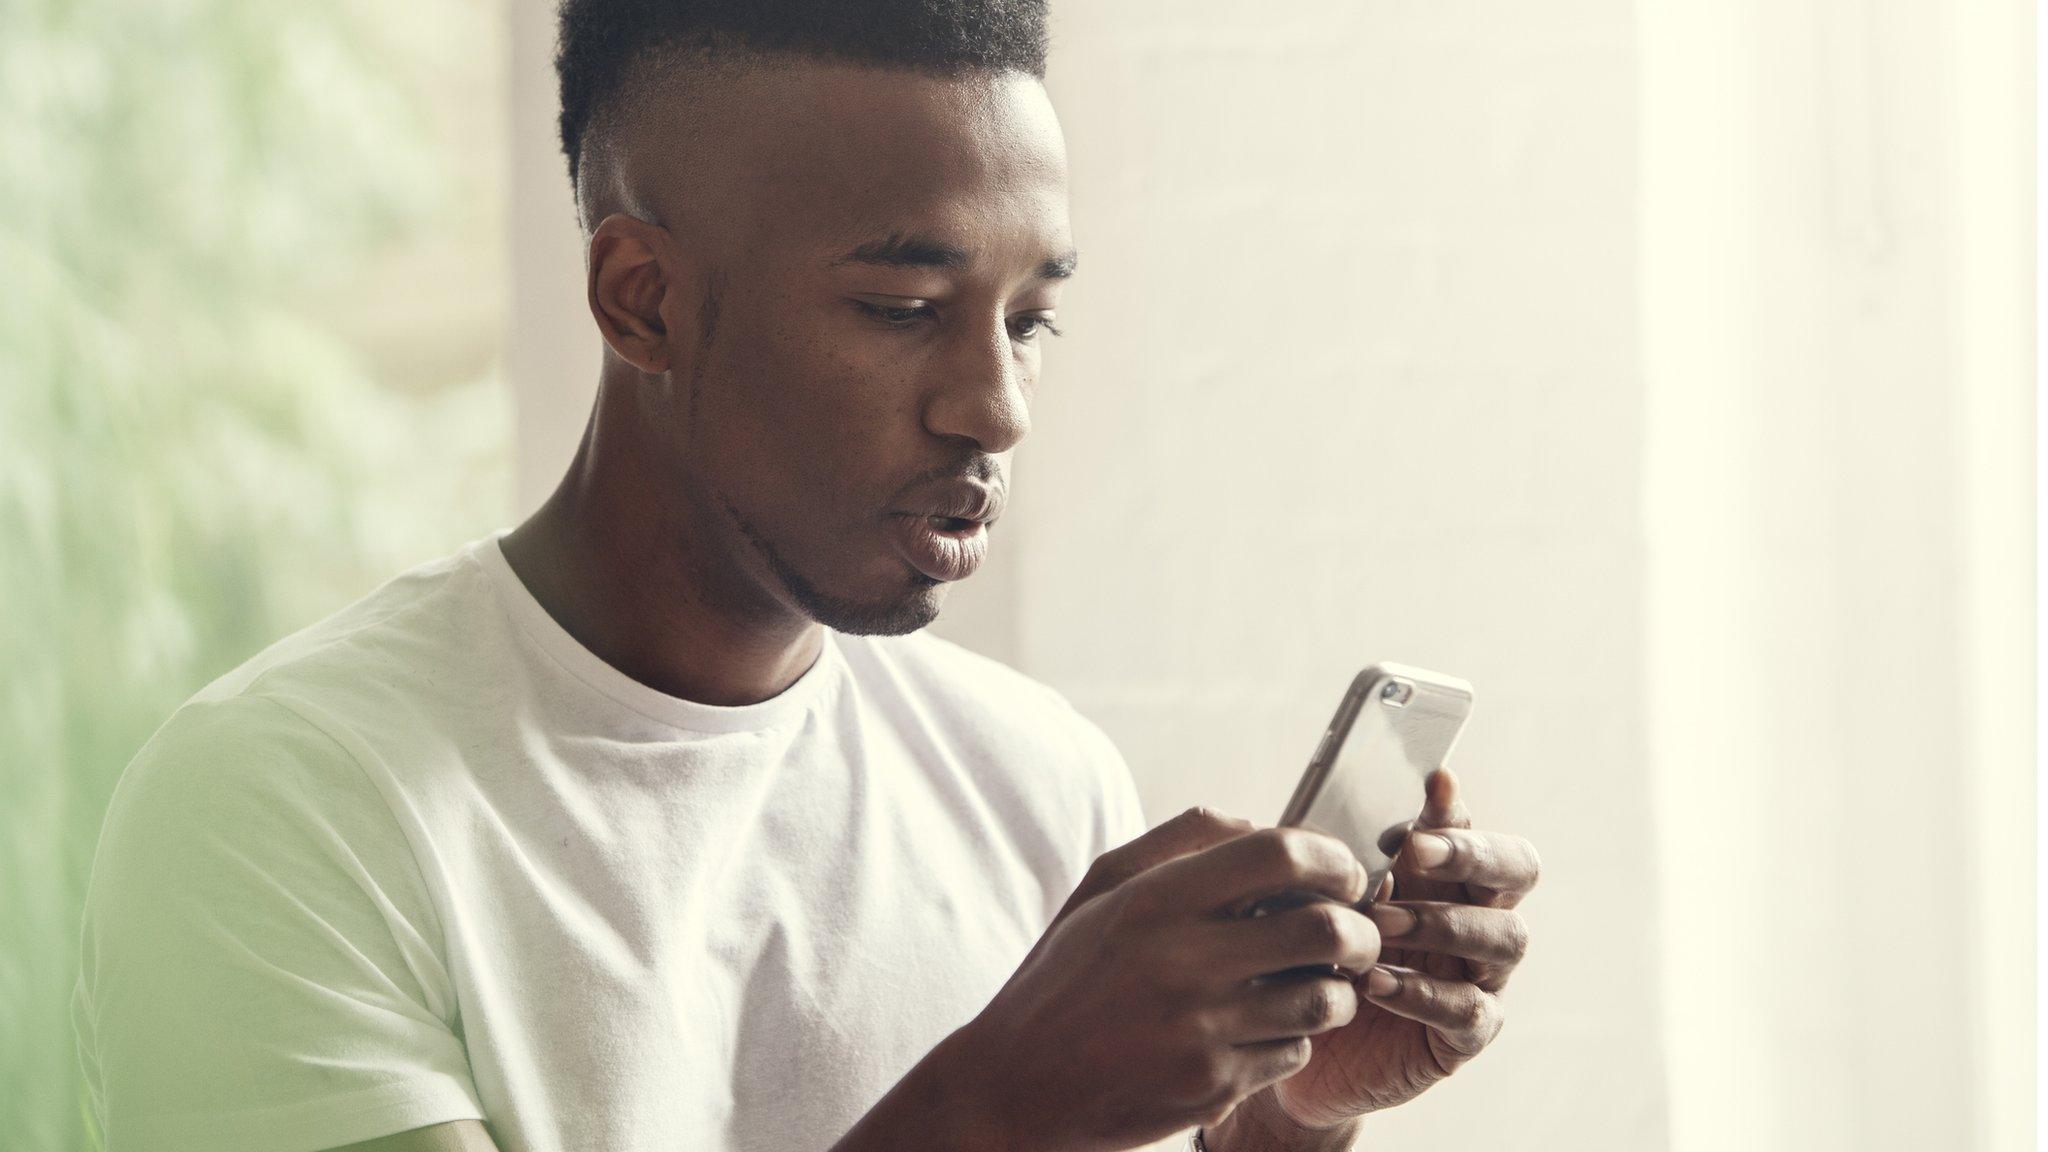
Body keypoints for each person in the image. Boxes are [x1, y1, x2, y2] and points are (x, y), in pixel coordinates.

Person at [71, 3, 1542, 1151]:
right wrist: (1000, 1107)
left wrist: (1294, 1112)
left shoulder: (1037, 780)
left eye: (1027, 322)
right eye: (905, 307)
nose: (995, 405)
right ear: (640, 298)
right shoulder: (282, 808)